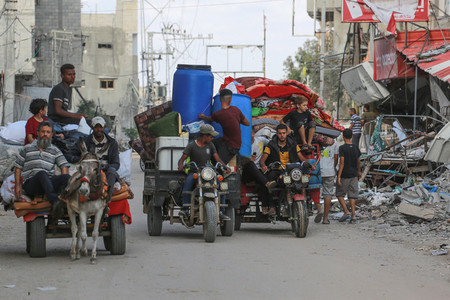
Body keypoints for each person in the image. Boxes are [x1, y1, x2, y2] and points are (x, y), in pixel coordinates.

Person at [14, 121, 70, 215]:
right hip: (32, 184)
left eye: (48, 132)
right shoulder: (27, 148)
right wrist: (17, 186)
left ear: (51, 134)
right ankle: (55, 202)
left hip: (48, 183)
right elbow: (18, 167)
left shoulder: (55, 150)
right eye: (43, 131)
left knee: (66, 177)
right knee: (42, 174)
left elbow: (64, 165)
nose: (45, 134)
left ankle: (59, 199)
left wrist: (62, 187)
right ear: (38, 132)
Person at [177, 124, 230, 220]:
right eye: (211, 136)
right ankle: (184, 209)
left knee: (221, 186)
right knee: (187, 185)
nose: (212, 138)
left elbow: (217, 158)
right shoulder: (192, 145)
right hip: (195, 172)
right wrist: (180, 165)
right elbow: (182, 159)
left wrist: (224, 166)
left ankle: (221, 211)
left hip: (208, 172)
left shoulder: (211, 145)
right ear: (204, 136)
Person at [259, 124, 311, 216]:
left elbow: (301, 157)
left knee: (304, 180)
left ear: (287, 133)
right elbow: (263, 159)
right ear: (276, 134)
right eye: (280, 133)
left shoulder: (293, 144)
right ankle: (271, 206)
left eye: (284, 133)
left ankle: (308, 204)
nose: (282, 135)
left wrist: (308, 164)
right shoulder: (271, 145)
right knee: (270, 179)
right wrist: (263, 166)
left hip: (291, 170)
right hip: (277, 169)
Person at [68, 116, 120, 202]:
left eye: (101, 127)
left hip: (106, 171)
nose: (98, 129)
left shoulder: (112, 143)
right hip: (88, 171)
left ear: (105, 127)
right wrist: (79, 158)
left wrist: (104, 168)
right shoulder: (85, 141)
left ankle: (107, 199)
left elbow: (116, 163)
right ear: (92, 127)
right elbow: (70, 154)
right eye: (96, 127)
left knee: (112, 171)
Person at [198, 88, 250, 165]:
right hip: (229, 141)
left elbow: (209, 119)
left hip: (231, 146)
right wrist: (237, 119)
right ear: (230, 99)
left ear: (219, 99)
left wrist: (202, 116)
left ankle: (215, 168)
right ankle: (211, 162)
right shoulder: (236, 110)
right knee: (211, 144)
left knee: (219, 165)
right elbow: (247, 123)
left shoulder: (218, 114)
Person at [336, 129, 361, 223]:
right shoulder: (355, 147)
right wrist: (359, 171)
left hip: (345, 174)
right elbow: (359, 161)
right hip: (354, 174)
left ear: (343, 137)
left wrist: (338, 176)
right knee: (352, 195)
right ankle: (353, 215)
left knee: (339, 194)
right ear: (352, 136)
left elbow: (341, 162)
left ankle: (346, 211)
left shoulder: (342, 148)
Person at [319, 139, 339, 224]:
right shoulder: (335, 143)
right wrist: (333, 168)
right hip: (329, 172)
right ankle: (325, 218)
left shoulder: (316, 140)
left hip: (316, 171)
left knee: (313, 191)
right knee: (327, 194)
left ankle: (318, 209)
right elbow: (336, 158)